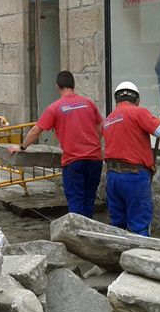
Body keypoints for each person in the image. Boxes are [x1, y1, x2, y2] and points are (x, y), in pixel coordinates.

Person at [9, 71, 104, 218]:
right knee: (88, 200)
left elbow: (36, 130)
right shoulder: (89, 103)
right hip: (95, 160)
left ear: (57, 86)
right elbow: (100, 126)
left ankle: (78, 235)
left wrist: (21, 147)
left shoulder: (55, 107)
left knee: (76, 204)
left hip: (74, 162)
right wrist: (93, 142)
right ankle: (88, 231)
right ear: (74, 85)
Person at [102, 81, 160, 236]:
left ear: (116, 101)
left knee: (118, 224)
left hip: (113, 176)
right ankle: (138, 255)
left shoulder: (109, 119)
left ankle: (117, 256)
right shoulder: (138, 112)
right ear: (137, 100)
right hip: (134, 177)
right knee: (139, 223)